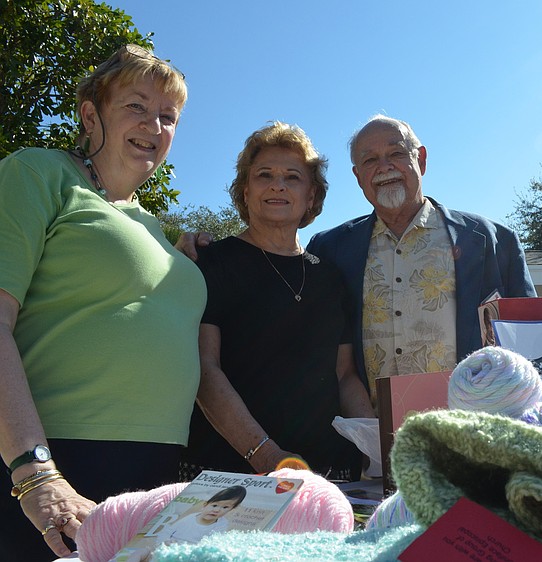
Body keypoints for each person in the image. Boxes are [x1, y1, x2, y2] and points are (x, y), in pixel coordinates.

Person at [0, 45, 204, 560]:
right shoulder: (38, 173)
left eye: (168, 117)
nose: (154, 125)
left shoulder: (156, 229)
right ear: (91, 116)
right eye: (136, 106)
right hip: (54, 462)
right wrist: (35, 472)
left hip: (158, 469)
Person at [180, 122, 374, 483]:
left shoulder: (329, 276)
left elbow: (344, 374)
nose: (277, 185)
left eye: (292, 177)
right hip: (232, 470)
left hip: (328, 471)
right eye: (264, 175)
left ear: (311, 196)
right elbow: (205, 369)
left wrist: (376, 447)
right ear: (245, 191)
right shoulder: (210, 262)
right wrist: (268, 455)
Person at [306, 115, 537, 401]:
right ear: (357, 176)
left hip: (472, 422)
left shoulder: (493, 241)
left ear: (422, 160)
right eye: (370, 160)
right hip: (368, 426)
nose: (384, 167)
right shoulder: (329, 249)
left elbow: (530, 342)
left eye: (396, 153)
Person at [164, 485, 246, 543]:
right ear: (205, 505)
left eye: (225, 507)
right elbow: (168, 531)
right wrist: (165, 541)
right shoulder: (191, 517)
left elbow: (213, 543)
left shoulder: (222, 524)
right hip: (173, 545)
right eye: (214, 505)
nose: (217, 510)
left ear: (231, 509)